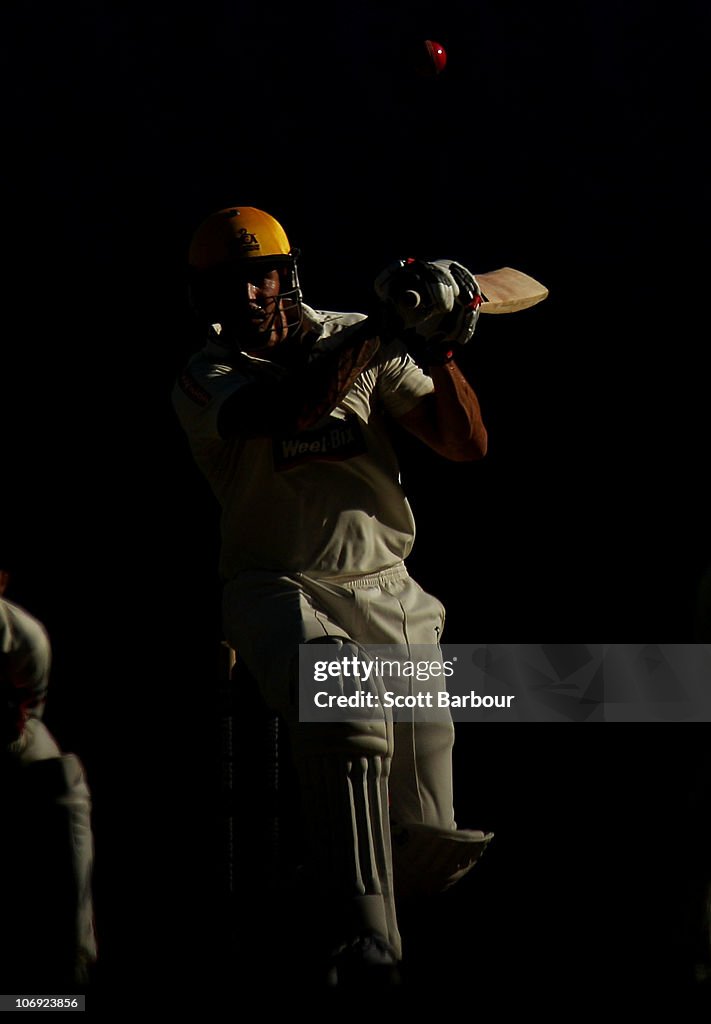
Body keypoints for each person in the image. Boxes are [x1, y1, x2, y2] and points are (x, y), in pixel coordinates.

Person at [172, 205, 495, 987]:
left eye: (264, 275)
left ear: (288, 273)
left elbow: (464, 445)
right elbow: (287, 412)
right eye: (234, 283)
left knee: (433, 841)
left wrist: (440, 345)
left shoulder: (357, 337)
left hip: (389, 590)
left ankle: (320, 902)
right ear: (206, 297)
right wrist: (377, 333)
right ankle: (363, 950)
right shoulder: (201, 377)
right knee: (345, 708)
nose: (254, 294)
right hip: (274, 586)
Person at [0, 562, 98, 990]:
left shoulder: (24, 639)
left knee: (62, 781)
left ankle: (66, 986)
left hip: (19, 759)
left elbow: (19, 723)